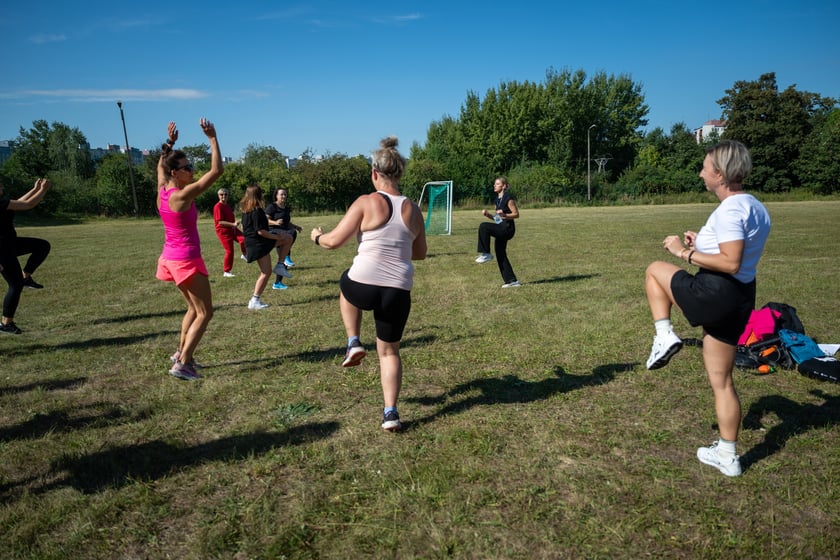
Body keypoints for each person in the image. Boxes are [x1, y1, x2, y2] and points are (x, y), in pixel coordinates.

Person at [644, 139, 771, 477]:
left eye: (704, 167)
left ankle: (664, 336)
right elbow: (735, 252)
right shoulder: (754, 206)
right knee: (722, 380)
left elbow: (730, 261)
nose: (701, 173)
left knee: (655, 270)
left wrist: (681, 253)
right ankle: (728, 456)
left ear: (719, 173)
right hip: (741, 298)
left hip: (717, 291)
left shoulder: (729, 209)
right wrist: (700, 242)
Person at [310, 136, 427, 432]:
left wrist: (315, 237)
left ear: (374, 173)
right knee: (389, 352)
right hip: (397, 290)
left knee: (345, 283)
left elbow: (334, 242)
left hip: (363, 284)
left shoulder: (366, 201)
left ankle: (353, 342)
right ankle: (391, 414)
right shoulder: (414, 209)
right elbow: (420, 253)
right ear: (399, 174)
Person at [156, 119, 223, 380]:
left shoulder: (162, 190)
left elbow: (160, 166)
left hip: (171, 258)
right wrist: (212, 138)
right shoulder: (180, 196)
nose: (192, 170)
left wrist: (170, 144)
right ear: (176, 173)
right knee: (206, 312)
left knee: (193, 310)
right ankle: (183, 363)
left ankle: (182, 354)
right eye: (187, 167)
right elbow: (216, 171)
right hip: (185, 260)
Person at [0, 178, 52, 335]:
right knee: (15, 286)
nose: (2, 185)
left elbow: (19, 203)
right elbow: (28, 205)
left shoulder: (2, 203)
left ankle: (26, 277)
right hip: (2, 251)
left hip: (10, 244)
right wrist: (44, 190)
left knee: (42, 246)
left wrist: (35, 189)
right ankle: (5, 323)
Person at [240, 184, 292, 310]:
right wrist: (276, 237)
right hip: (259, 244)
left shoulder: (245, 210)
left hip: (256, 243)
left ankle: (280, 265)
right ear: (258, 195)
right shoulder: (256, 211)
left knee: (288, 237)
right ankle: (254, 300)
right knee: (266, 272)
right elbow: (260, 231)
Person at [475, 177, 520, 288]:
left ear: (503, 186)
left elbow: (516, 214)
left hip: (508, 229)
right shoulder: (497, 201)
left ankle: (486, 253)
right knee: (500, 253)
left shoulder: (508, 199)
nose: (494, 185)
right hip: (501, 227)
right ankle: (512, 281)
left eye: (497, 184)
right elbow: (497, 219)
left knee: (483, 226)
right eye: (494, 184)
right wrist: (488, 215)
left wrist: (505, 215)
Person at [265, 188, 301, 289]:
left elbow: (286, 223)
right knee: (284, 257)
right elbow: (265, 220)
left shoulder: (286, 208)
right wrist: (275, 222)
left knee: (284, 258)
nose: (284, 196)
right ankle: (277, 283)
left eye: (285, 194)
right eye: (281, 195)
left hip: (285, 234)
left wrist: (296, 226)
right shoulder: (272, 207)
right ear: (276, 196)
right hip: (275, 233)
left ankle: (277, 283)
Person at [213, 188, 246, 277]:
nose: (224, 196)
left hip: (232, 228)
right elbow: (220, 222)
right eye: (221, 194)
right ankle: (226, 271)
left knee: (244, 239)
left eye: (226, 194)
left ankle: (244, 254)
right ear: (218, 196)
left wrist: (235, 223)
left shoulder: (227, 205)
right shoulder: (218, 207)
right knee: (229, 251)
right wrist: (233, 224)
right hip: (223, 231)